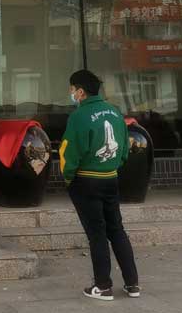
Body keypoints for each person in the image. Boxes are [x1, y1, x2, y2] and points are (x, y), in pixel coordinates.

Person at [59, 69, 140, 300]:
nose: (71, 93)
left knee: (97, 233)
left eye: (72, 89)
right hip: (110, 178)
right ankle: (132, 284)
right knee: (116, 229)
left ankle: (103, 286)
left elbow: (68, 152)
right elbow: (124, 149)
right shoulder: (115, 112)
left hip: (86, 180)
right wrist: (112, 166)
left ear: (81, 92)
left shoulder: (79, 116)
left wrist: (68, 178)